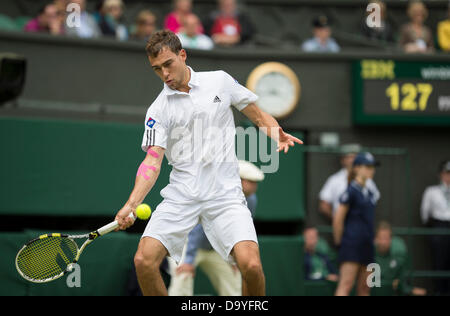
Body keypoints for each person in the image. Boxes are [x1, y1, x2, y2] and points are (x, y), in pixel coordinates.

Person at [113, 30, 303, 296]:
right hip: (182, 196)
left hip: (225, 196)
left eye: (168, 64)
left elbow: (258, 115)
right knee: (143, 261)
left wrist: (275, 131)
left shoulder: (220, 82)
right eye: (157, 69)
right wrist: (131, 204)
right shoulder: (158, 110)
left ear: (183, 55)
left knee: (252, 267)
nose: (164, 74)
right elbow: (152, 161)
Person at [168, 160, 264, 296]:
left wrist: (236, 258)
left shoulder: (251, 199)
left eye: (256, 183)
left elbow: (241, 230)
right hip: (186, 243)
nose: (255, 186)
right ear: (239, 180)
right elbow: (197, 231)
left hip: (215, 247)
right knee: (183, 277)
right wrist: (188, 260)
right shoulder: (214, 193)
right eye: (252, 182)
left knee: (233, 281)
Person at [333, 152, 380, 296]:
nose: (371, 170)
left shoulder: (370, 193)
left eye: (372, 167)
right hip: (351, 245)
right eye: (367, 166)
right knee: (346, 286)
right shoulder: (351, 191)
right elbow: (338, 219)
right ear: (357, 168)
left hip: (367, 245)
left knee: (365, 288)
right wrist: (340, 243)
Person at [318, 144, 379, 221]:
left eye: (354, 156)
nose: (352, 160)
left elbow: (374, 200)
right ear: (342, 160)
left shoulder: (368, 180)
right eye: (348, 157)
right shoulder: (334, 180)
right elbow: (324, 205)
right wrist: (339, 220)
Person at [421, 160, 450, 295]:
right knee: (439, 262)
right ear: (441, 174)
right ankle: (439, 291)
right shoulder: (432, 191)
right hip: (439, 227)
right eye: (447, 173)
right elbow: (424, 213)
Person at [374, 221, 427, 296]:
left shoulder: (398, 254)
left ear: (391, 239)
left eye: (386, 238)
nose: (383, 242)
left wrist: (408, 289)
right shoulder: (367, 253)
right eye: (380, 238)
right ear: (375, 239)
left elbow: (402, 282)